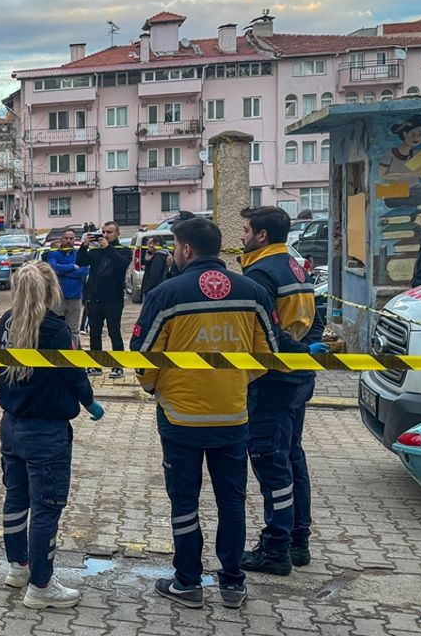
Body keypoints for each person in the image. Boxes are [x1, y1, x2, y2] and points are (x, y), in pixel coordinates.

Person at [130, 218, 279, 610]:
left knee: (185, 502)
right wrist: (236, 382)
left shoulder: (165, 294)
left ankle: (188, 582)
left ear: (186, 249)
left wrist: (156, 387)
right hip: (232, 416)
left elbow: (143, 357)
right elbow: (268, 354)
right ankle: (233, 582)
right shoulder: (253, 292)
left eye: (175, 247)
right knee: (232, 501)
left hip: (180, 419)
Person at [0, 262, 104, 609]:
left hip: (11, 426)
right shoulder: (57, 330)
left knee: (16, 499)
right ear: (51, 290)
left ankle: (18, 567)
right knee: (46, 508)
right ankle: (41, 585)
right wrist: (90, 403)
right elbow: (74, 375)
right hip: (45, 432)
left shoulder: (5, 322)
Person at [237, 206, 328, 576]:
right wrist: (307, 350)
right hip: (298, 377)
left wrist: (297, 351)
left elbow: (268, 332)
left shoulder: (261, 272)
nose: (241, 236)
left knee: (271, 462)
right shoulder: (295, 266)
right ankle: (297, 541)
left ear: (262, 235)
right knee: (291, 457)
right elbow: (318, 317)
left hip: (273, 380)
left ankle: (276, 548)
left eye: (246, 230)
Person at [76, 221, 131, 377]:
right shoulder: (96, 251)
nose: (106, 235)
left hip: (113, 299)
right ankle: (95, 365)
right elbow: (80, 262)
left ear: (117, 234)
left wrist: (108, 247)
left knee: (114, 332)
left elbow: (121, 264)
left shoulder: (123, 250)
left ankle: (117, 365)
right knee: (94, 333)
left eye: (110, 232)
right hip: (95, 298)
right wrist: (84, 245)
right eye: (104, 232)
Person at [42, 229, 88, 342]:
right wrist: (72, 266)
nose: (68, 240)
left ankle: (73, 351)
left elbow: (84, 270)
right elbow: (53, 268)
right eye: (66, 238)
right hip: (58, 299)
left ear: (74, 240)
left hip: (75, 298)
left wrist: (63, 272)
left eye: (71, 238)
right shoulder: (54, 253)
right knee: (55, 329)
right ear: (61, 239)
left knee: (74, 331)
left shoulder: (79, 254)